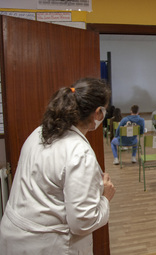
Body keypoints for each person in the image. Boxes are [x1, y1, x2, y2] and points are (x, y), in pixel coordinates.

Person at [0, 78, 116, 255]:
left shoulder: (40, 132)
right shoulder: (78, 152)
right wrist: (105, 197)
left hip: (16, 235)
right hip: (49, 245)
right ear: (98, 113)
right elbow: (83, 222)